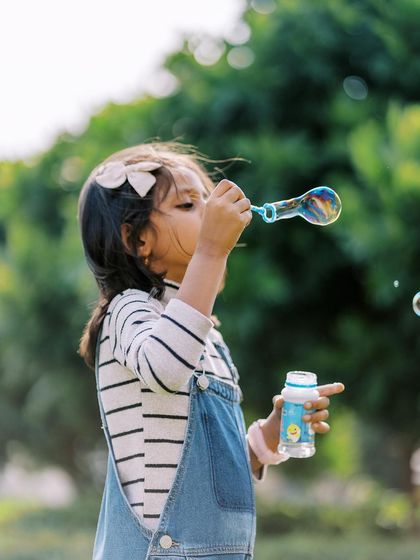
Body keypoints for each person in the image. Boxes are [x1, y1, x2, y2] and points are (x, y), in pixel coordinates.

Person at [77, 141, 345, 560]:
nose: (208, 211)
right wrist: (211, 249)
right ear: (137, 239)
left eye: (207, 199)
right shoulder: (128, 311)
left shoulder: (207, 336)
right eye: (188, 205)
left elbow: (214, 465)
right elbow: (166, 365)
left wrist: (265, 439)